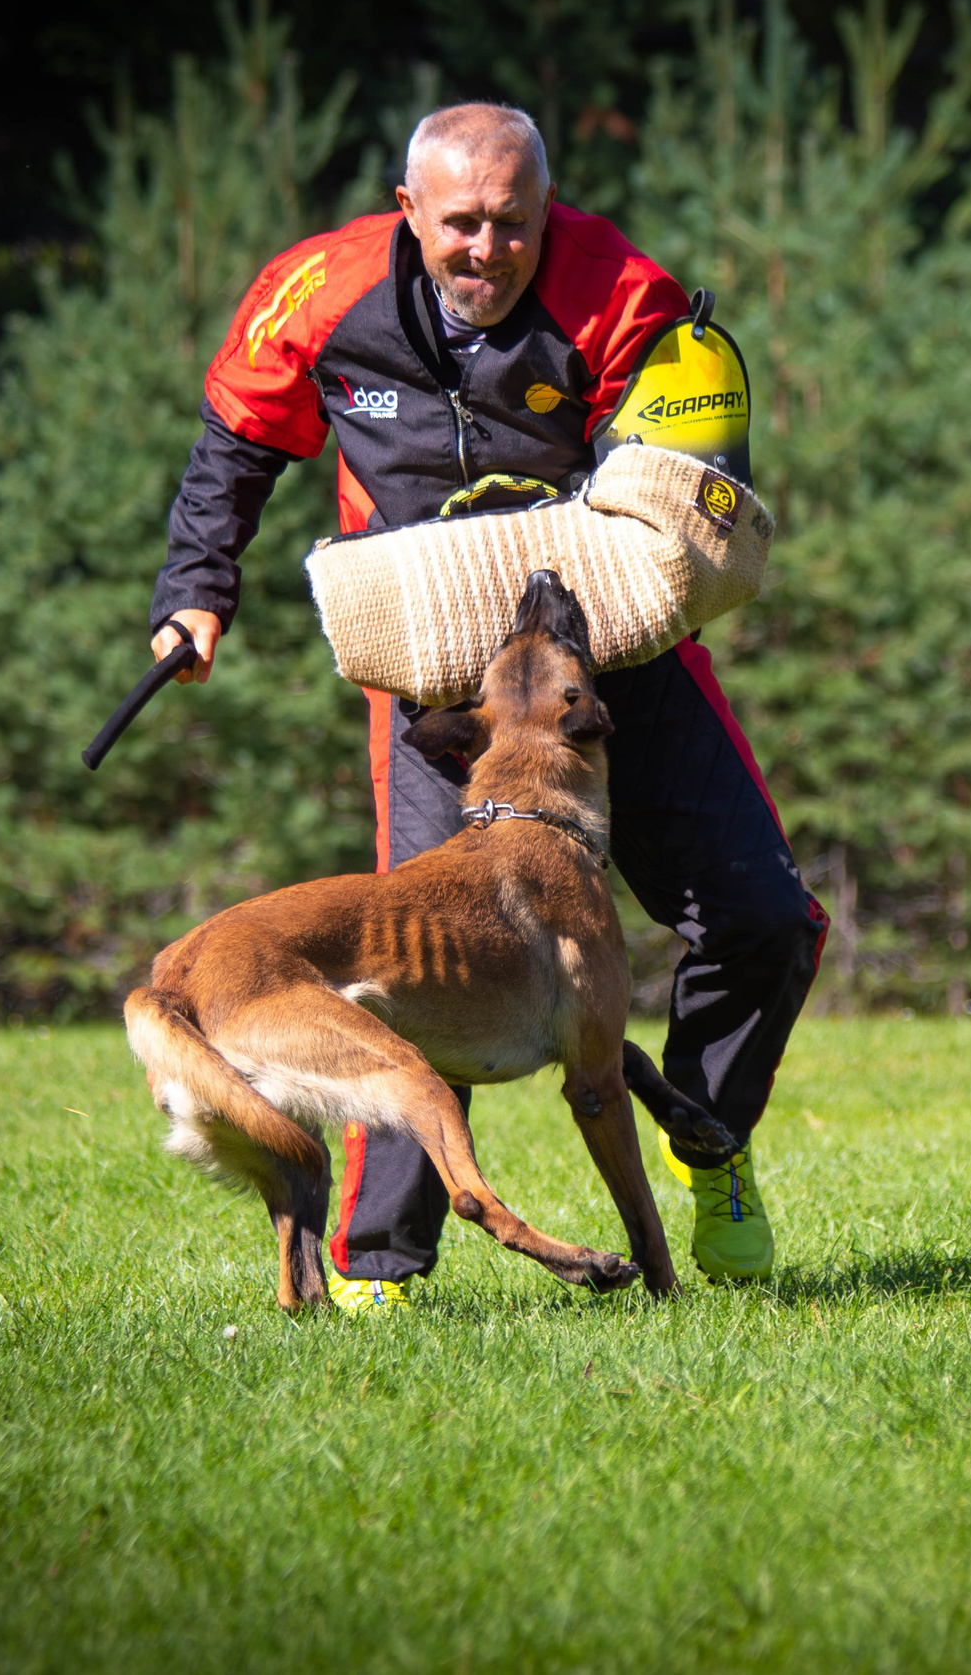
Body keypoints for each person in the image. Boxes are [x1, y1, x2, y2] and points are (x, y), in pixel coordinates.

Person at [145, 103, 823, 1311]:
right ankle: (381, 1267)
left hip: (597, 653)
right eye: (460, 222)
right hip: (430, 676)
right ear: (409, 212)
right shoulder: (317, 292)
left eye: (514, 223)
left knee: (763, 915)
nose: (487, 249)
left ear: (544, 213)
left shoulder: (621, 290)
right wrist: (196, 592)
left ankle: (708, 1142)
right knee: (407, 964)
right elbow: (236, 441)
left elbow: (685, 475)